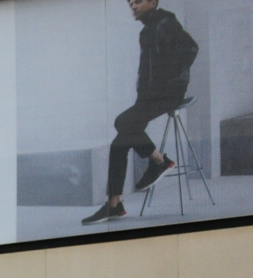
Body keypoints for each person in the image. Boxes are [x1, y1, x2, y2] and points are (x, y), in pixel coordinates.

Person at [82, 0, 199, 226]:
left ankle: (159, 161)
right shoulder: (146, 32)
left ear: (153, 2)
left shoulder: (165, 23)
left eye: (138, 1)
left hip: (167, 94)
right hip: (150, 96)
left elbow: (190, 48)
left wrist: (170, 80)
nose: (133, 6)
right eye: (130, 3)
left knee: (121, 121)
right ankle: (114, 205)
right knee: (119, 143)